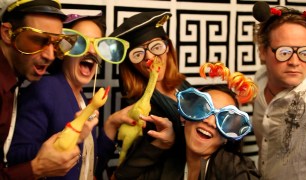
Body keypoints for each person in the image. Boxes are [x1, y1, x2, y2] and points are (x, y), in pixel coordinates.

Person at [7, 12, 130, 179]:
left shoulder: (84, 100)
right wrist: (69, 137)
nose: (91, 50)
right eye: (81, 42)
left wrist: (111, 124)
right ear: (63, 49)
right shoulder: (45, 89)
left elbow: (91, 165)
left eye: (97, 44)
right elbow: (14, 157)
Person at [95, 11, 192, 178]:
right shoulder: (140, 108)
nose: (150, 59)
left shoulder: (184, 86)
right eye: (138, 54)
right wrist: (165, 142)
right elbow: (129, 169)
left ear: (167, 47)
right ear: (131, 65)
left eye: (156, 47)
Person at [0, 0, 82, 179]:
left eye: (57, 43)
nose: (50, 55)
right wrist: (36, 168)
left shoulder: (15, 79)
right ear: (7, 34)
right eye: (38, 40)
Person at [113, 84, 261, 180]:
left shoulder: (235, 170)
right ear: (185, 117)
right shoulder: (170, 163)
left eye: (224, 120)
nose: (210, 121)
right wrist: (162, 144)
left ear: (226, 138)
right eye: (203, 109)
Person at [252, 2, 306, 179]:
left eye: (305, 52)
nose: (295, 62)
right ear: (262, 52)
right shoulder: (258, 81)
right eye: (284, 52)